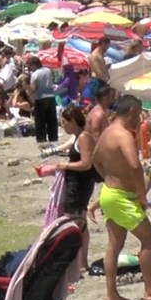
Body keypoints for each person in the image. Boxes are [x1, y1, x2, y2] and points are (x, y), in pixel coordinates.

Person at [91, 94, 151, 300]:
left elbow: (95, 160)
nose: (141, 119)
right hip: (121, 197)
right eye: (140, 113)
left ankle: (111, 295)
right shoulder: (123, 135)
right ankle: (150, 291)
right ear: (131, 111)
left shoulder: (107, 132)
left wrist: (108, 177)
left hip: (110, 193)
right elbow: (135, 166)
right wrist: (142, 195)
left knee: (114, 245)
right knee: (149, 240)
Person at [54, 106, 97, 270]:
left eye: (64, 122)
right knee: (80, 221)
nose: (63, 126)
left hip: (79, 185)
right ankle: (81, 262)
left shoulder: (84, 137)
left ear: (72, 121)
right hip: (78, 183)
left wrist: (65, 165)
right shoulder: (79, 137)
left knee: (72, 221)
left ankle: (76, 262)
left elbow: (86, 163)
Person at [28, 56, 57, 144]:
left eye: (29, 65)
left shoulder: (35, 74)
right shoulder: (48, 70)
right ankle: (53, 138)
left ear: (33, 65)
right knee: (51, 120)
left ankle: (41, 139)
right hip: (51, 96)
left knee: (40, 120)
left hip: (40, 98)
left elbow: (33, 88)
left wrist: (27, 88)